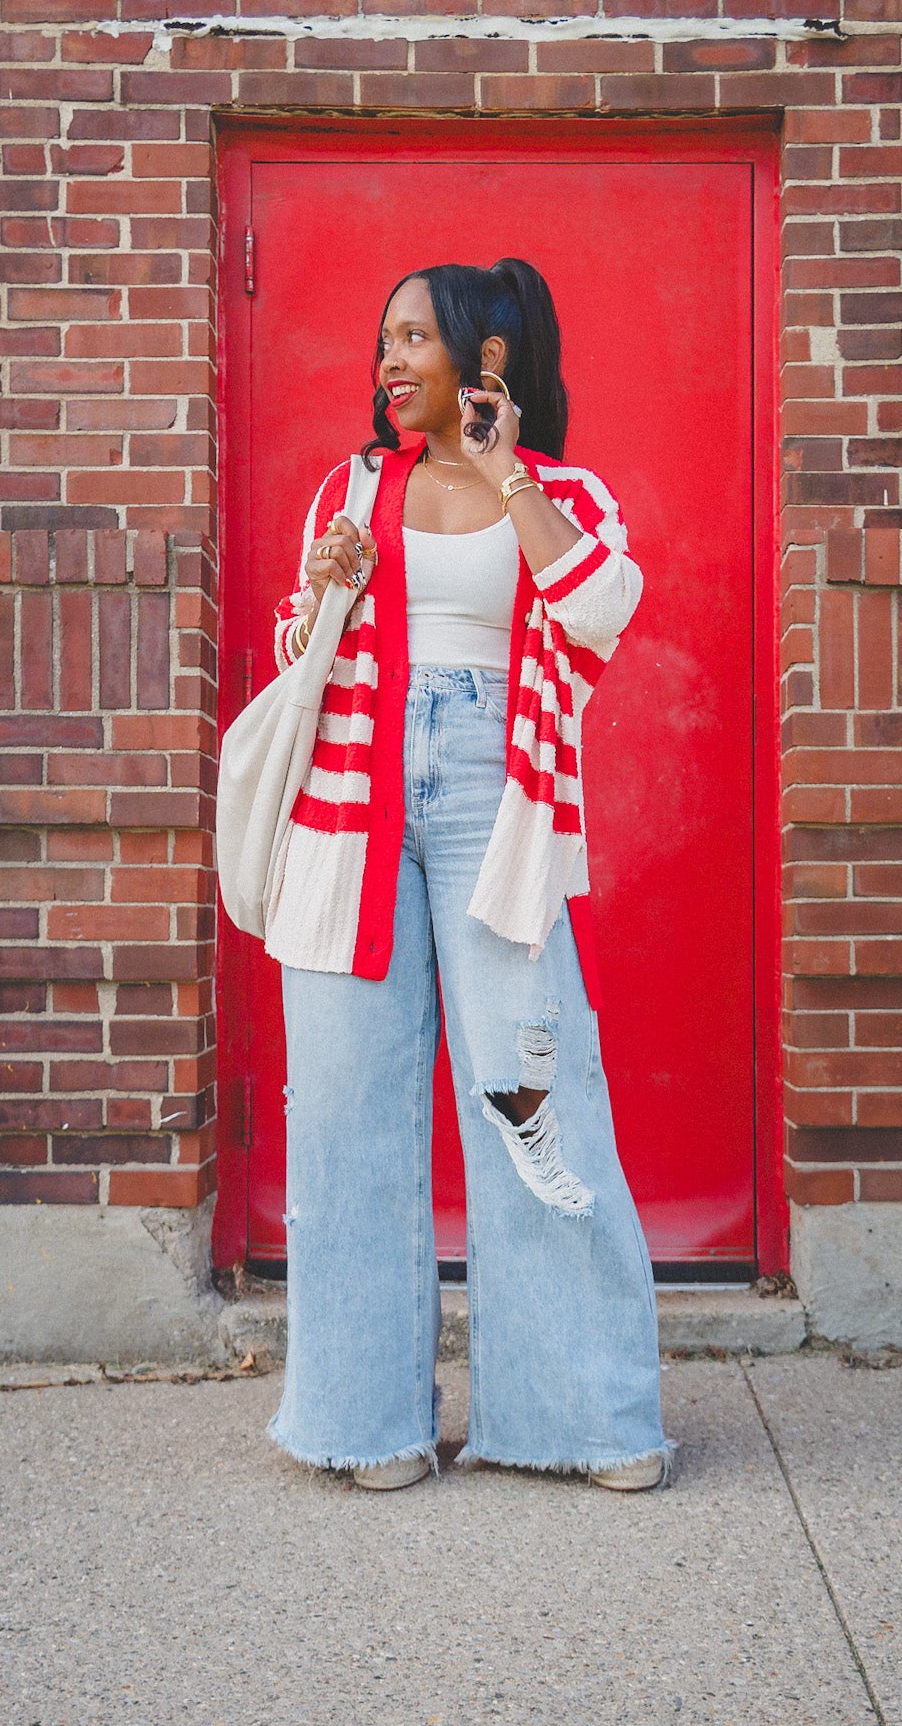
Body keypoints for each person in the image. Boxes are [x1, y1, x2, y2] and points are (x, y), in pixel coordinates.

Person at [263, 257, 670, 1492]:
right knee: (348, 1113)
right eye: (382, 339)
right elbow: (300, 655)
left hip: (502, 796)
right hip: (353, 797)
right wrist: (321, 597)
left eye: (414, 338)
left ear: (482, 357)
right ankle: (362, 1418)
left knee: (533, 1099)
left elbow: (600, 604)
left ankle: (584, 1418)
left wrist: (504, 469)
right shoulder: (352, 485)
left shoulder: (558, 487)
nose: (389, 361)